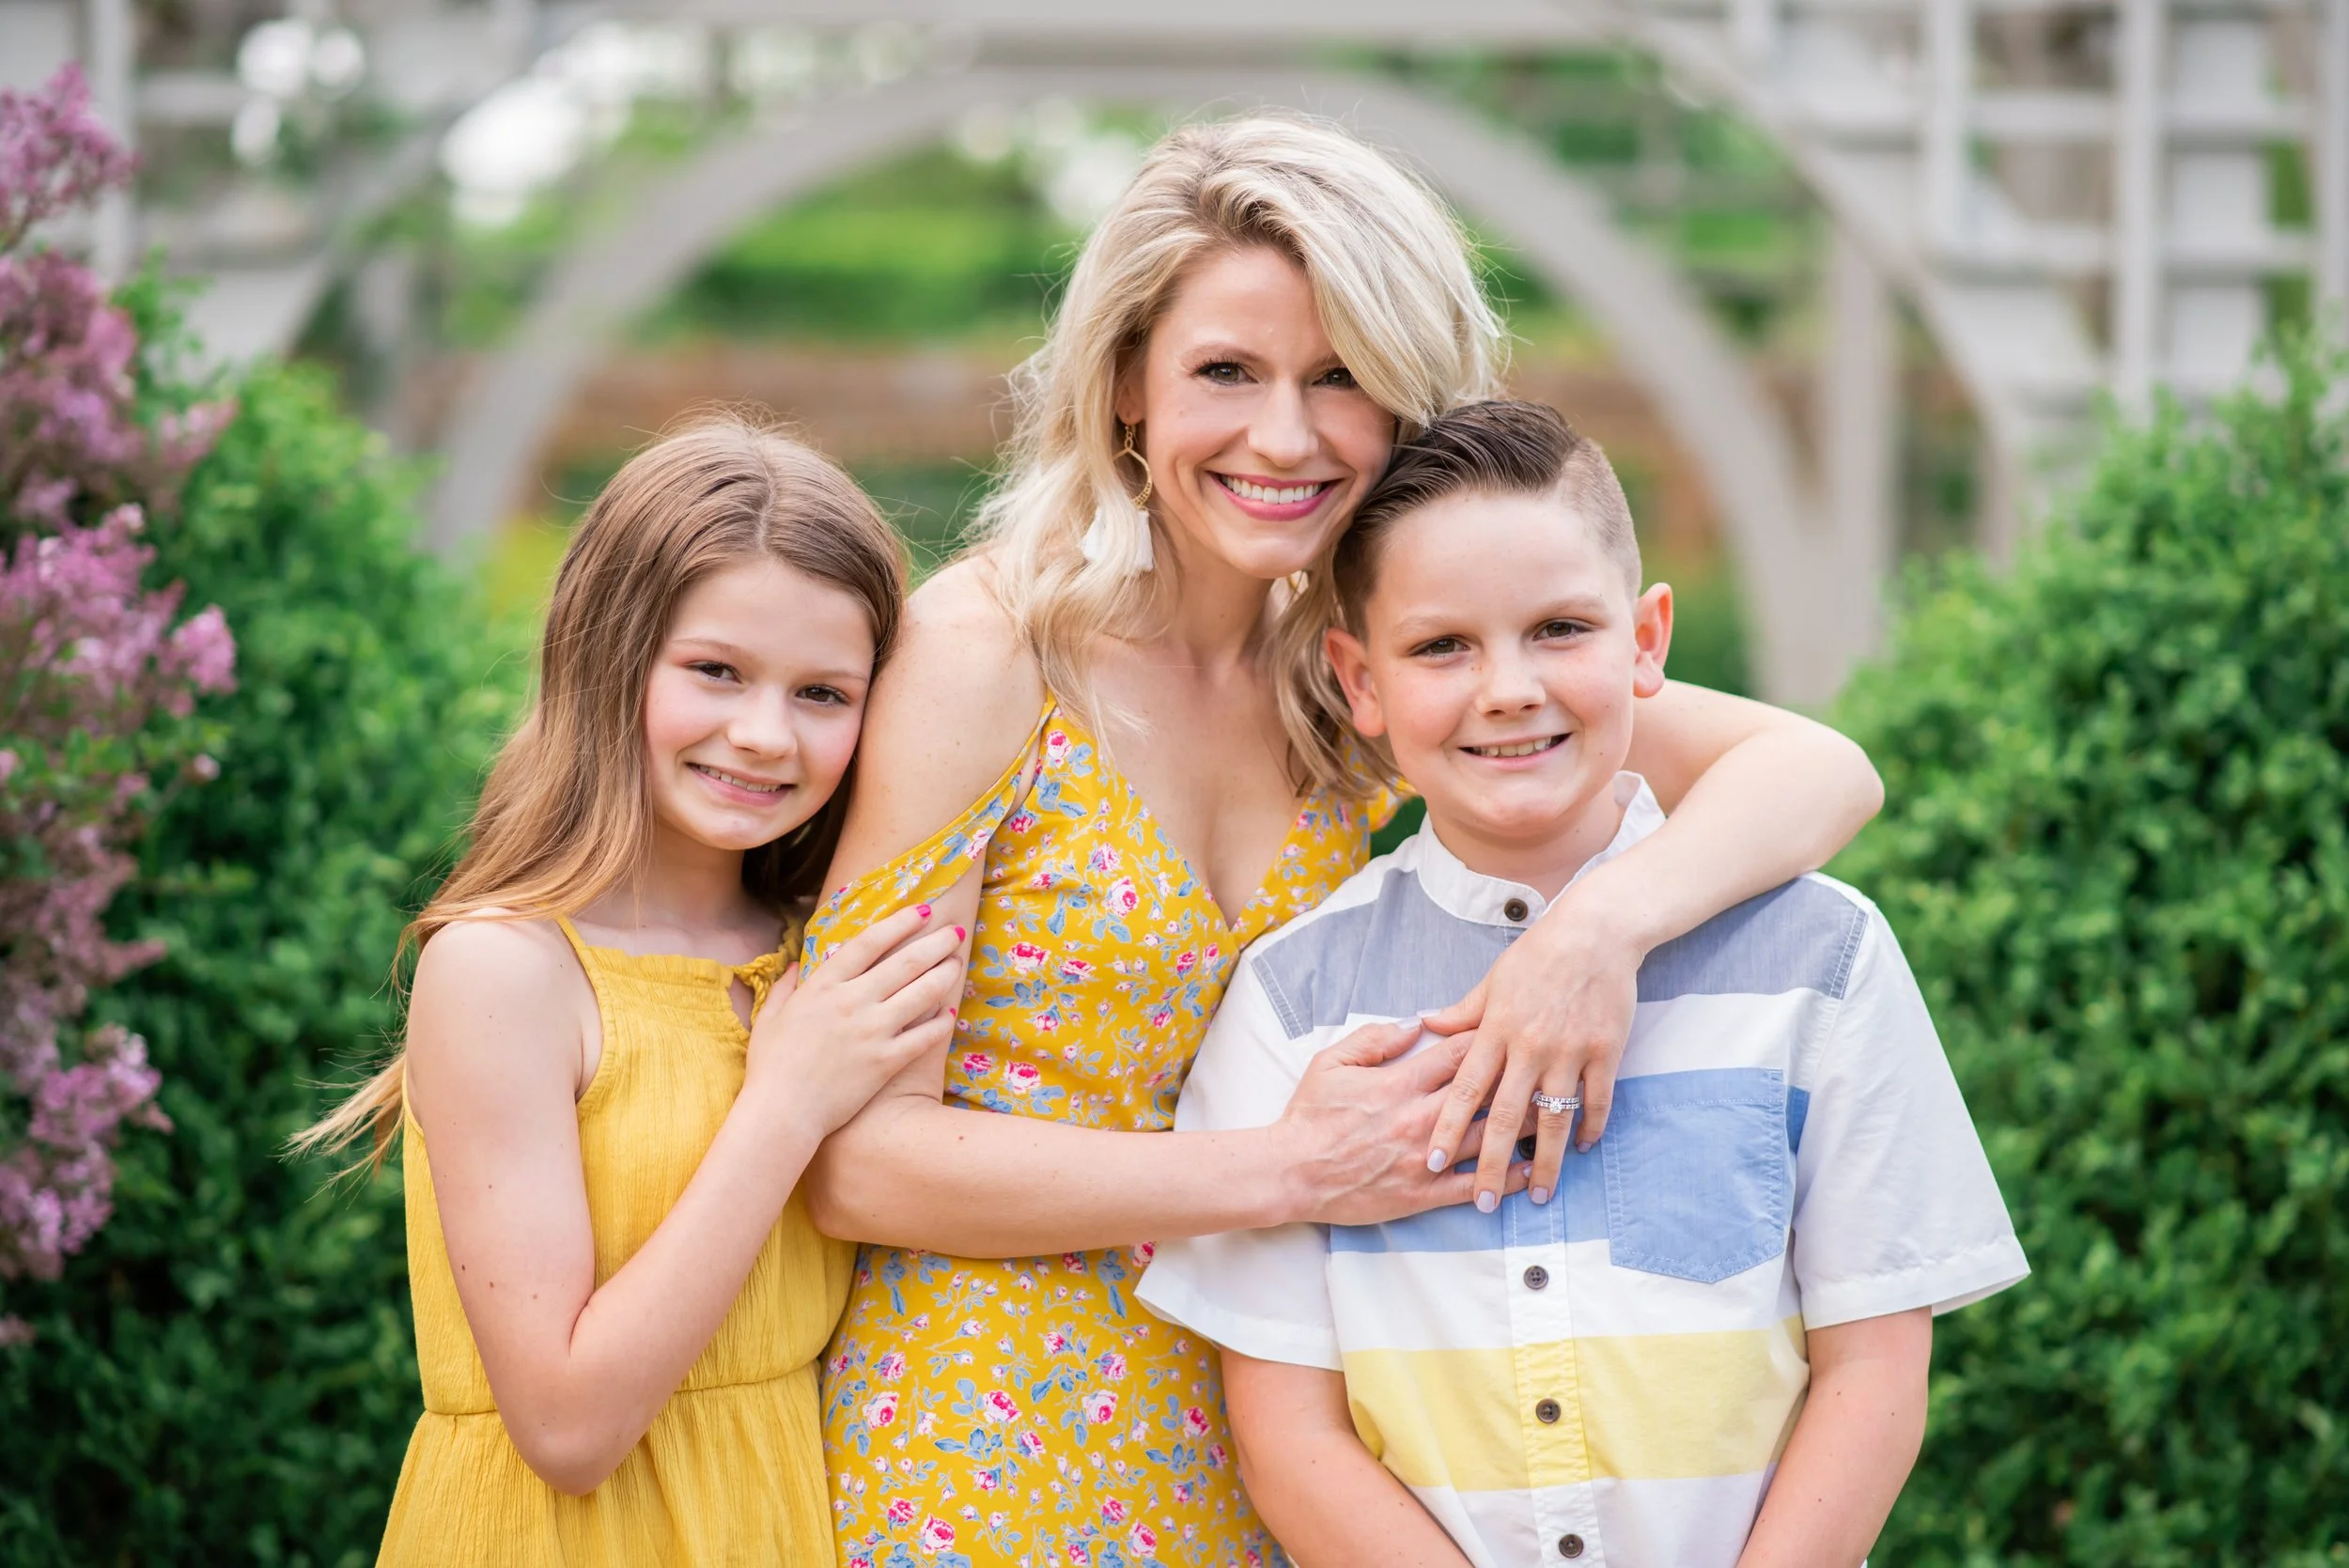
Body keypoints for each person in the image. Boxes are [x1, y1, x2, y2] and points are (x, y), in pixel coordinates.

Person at [801, 116, 1890, 1568]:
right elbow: (857, 1162)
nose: (1286, 436)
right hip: (987, 1445)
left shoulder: (1369, 675)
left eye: (1340, 379)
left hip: (1312, 1462)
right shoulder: (990, 657)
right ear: (1127, 382)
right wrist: (1288, 1173)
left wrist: (1592, 934)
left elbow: (1815, 770)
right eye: (1226, 374)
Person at [1138, 400, 2029, 1568]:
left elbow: (1875, 1366)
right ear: (1358, 680)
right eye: (1441, 646)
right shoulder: (1292, 999)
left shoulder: (1822, 958)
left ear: (1647, 639)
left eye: (1559, 628)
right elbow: (1287, 1432)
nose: (1507, 687)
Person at [294, 420, 962, 1566]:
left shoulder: (822, 964)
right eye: (715, 671)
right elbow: (565, 1423)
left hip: (781, 1519)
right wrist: (786, 1103)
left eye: (822, 693)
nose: (763, 734)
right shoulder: (506, 968)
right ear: (610, 655)